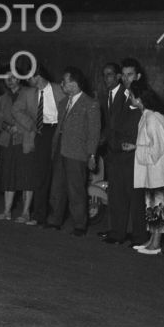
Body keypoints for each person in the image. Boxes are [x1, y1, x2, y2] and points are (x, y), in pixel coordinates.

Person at [44, 66, 100, 236]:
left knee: (76, 189)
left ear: (74, 84)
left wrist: (91, 154)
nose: (61, 84)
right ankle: (54, 220)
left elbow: (94, 132)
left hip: (77, 152)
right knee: (56, 187)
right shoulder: (63, 103)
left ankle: (79, 224)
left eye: (64, 81)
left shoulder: (90, 104)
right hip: (60, 148)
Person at [99, 57, 148, 246]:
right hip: (116, 153)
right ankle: (118, 233)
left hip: (134, 153)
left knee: (136, 198)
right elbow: (112, 125)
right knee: (117, 195)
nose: (127, 79)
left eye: (130, 75)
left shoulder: (143, 96)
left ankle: (139, 236)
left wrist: (136, 145)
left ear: (138, 76)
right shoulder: (121, 95)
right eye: (125, 75)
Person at [130, 86, 164, 255]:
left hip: (160, 171)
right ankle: (152, 241)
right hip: (157, 171)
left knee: (158, 206)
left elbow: (156, 149)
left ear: (139, 99)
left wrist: (137, 149)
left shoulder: (152, 118)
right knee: (154, 206)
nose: (130, 98)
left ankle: (156, 244)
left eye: (131, 95)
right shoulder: (151, 116)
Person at [25, 60, 66, 226]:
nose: (27, 80)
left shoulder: (59, 89)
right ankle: (39, 215)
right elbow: (16, 110)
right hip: (42, 131)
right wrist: (31, 124)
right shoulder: (29, 93)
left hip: (60, 131)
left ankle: (56, 217)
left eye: (29, 77)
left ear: (38, 76)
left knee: (58, 175)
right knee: (40, 174)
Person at [0, 74, 37, 222]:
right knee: (8, 176)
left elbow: (35, 117)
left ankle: (26, 212)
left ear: (19, 78)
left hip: (25, 140)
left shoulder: (30, 94)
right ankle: (7, 212)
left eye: (13, 77)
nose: (9, 81)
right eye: (6, 78)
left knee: (27, 176)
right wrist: (6, 126)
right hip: (7, 141)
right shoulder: (2, 98)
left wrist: (18, 127)